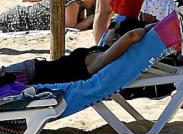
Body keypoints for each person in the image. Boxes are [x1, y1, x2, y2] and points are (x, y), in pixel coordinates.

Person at [0, 18, 149, 85]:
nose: (107, 30)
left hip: (28, 75)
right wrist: (149, 28)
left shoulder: (99, 58)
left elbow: (132, 36)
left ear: (117, 37)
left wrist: (147, 28)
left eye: (112, 27)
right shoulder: (102, 55)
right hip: (32, 72)